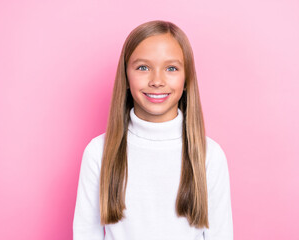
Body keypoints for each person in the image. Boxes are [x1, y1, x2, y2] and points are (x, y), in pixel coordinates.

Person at [73, 20, 233, 240]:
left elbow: (220, 235)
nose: (157, 81)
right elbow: (85, 233)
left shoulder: (209, 155)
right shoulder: (98, 152)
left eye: (171, 68)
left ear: (187, 79)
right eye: (143, 67)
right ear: (126, 77)